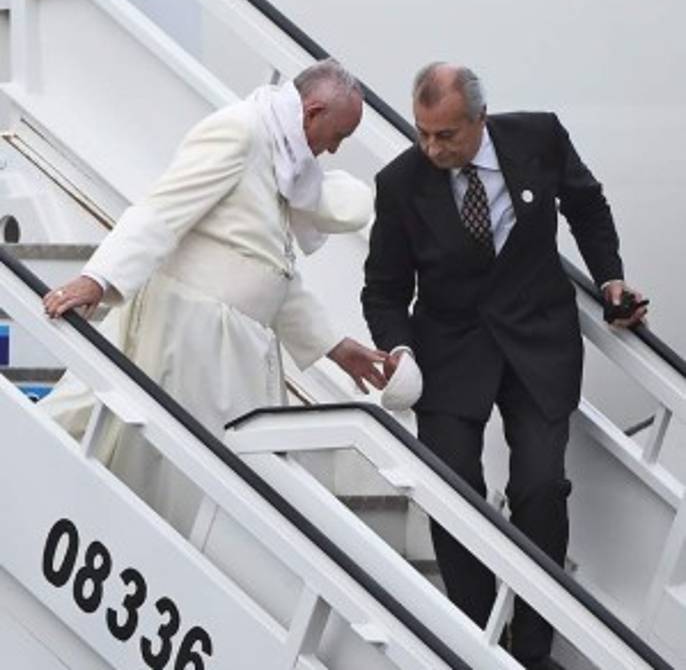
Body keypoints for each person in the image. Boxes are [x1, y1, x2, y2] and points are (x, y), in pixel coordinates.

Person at [361, 63, 647, 670]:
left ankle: (534, 650)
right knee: (453, 488)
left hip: (536, 343)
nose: (433, 148)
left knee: (540, 488)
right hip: (448, 353)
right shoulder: (400, 183)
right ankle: (474, 639)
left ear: (479, 119)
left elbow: (587, 206)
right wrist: (400, 350)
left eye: (447, 135)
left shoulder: (538, 138)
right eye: (423, 134)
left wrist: (611, 279)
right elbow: (383, 291)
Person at [42, 58, 390, 532]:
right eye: (338, 134)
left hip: (231, 350)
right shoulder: (241, 131)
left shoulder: (280, 152)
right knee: (184, 483)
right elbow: (164, 210)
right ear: (312, 112)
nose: (332, 149)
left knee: (221, 489)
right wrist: (100, 279)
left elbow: (267, 269)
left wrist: (332, 346)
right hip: (194, 341)